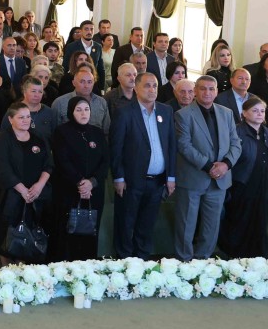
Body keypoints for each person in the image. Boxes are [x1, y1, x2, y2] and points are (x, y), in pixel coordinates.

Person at [173, 75, 242, 261]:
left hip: (220, 179)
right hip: (193, 177)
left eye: (211, 89)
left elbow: (236, 143)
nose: (207, 92)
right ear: (195, 91)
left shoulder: (227, 113)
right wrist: (208, 166)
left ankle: (203, 261)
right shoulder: (183, 114)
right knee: (186, 225)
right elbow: (184, 146)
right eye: (203, 88)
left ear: (217, 91)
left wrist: (226, 165)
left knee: (212, 226)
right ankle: (184, 263)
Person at [110, 73, 177, 259]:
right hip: (131, 181)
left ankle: (142, 260)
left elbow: (171, 145)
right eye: (147, 85)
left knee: (147, 224)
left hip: (157, 181)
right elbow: (116, 148)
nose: (152, 89)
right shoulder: (124, 112)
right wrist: (118, 177)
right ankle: (124, 260)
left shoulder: (166, 111)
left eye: (155, 86)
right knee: (126, 223)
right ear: (136, 88)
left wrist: (171, 176)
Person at [0, 102, 52, 262]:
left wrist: (39, 185)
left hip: (36, 194)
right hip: (10, 194)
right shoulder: (2, 139)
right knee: (6, 237)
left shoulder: (38, 137)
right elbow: (2, 168)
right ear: (11, 119)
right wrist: (22, 190)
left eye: (28, 117)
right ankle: (7, 270)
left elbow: (49, 164)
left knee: (32, 233)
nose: (26, 120)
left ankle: (25, 268)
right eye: (21, 117)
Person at [49, 97, 109, 261]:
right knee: (68, 232)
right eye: (79, 110)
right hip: (69, 190)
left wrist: (92, 182)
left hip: (94, 192)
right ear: (71, 112)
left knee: (90, 231)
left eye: (86, 109)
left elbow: (105, 161)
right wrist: (81, 183)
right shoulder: (62, 132)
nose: (84, 113)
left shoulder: (97, 132)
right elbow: (62, 160)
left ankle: (88, 266)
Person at [219, 97, 268, 258]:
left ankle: (257, 257)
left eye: (262, 111)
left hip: (263, 183)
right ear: (244, 113)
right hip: (242, 183)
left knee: (260, 221)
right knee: (239, 220)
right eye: (255, 110)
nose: (259, 114)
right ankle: (236, 256)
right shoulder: (236, 131)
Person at [53, 66, 111, 133]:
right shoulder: (59, 103)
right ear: (74, 83)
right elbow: (54, 131)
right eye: (82, 82)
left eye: (89, 82)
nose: (86, 86)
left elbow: (106, 131)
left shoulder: (101, 102)